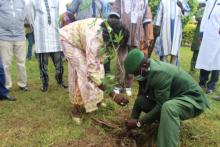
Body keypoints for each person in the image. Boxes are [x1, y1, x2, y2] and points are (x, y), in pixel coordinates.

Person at [123, 49, 209, 147]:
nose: (135, 76)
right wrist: (132, 122)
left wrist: (139, 123)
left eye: (135, 73)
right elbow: (141, 96)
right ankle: (167, 122)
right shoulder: (144, 71)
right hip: (174, 98)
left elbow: (160, 106)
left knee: (168, 107)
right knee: (141, 100)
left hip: (193, 100)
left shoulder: (159, 74)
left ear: (144, 65)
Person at [60, 18, 129, 124]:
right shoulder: (94, 40)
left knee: (100, 68)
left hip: (83, 39)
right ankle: (76, 109)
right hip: (69, 40)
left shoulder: (107, 31)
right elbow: (92, 72)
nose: (116, 47)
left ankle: (97, 100)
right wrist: (113, 95)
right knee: (83, 72)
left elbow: (99, 62)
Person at [108, 0, 154, 96]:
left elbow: (146, 20)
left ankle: (128, 85)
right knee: (121, 59)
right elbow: (114, 14)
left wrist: (146, 37)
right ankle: (118, 85)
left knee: (134, 60)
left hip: (137, 33)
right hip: (123, 31)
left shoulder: (144, 1)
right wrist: (115, 32)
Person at [28, 0, 67, 92]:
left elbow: (58, 16)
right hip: (42, 38)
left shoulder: (56, 1)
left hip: (55, 36)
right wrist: (38, 28)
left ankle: (60, 80)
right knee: (43, 64)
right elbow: (30, 18)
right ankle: (45, 83)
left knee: (59, 62)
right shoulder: (33, 2)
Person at [0, 0, 29, 91]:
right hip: (4, 36)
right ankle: (7, 85)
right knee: (6, 63)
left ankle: (22, 84)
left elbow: (26, 16)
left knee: (21, 62)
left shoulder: (22, 2)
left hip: (20, 36)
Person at [154, 0, 190, 65]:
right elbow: (159, 14)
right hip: (165, 30)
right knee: (164, 51)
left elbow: (187, 13)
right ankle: (163, 69)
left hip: (177, 30)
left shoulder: (181, 1)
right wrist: (157, 27)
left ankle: (173, 70)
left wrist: (182, 7)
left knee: (175, 52)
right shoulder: (163, 1)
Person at [196, 0, 220, 94]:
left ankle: (211, 85)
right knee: (205, 57)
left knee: (216, 60)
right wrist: (201, 32)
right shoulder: (210, 1)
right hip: (208, 33)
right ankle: (202, 82)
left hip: (218, 35)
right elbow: (205, 16)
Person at [190, 3, 205, 71]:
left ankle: (202, 67)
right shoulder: (202, 9)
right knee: (197, 50)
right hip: (200, 32)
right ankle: (193, 66)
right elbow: (197, 17)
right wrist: (206, 18)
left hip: (209, 34)